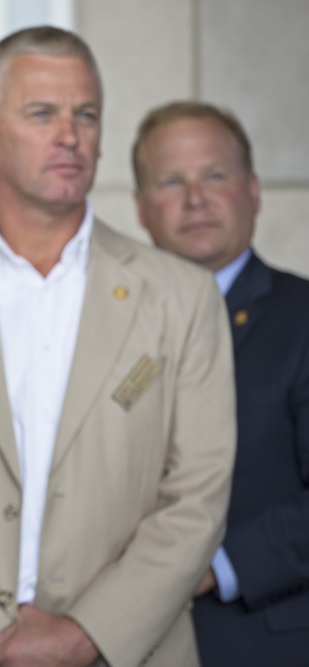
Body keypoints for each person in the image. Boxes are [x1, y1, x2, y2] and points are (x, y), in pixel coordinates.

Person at [0, 26, 235, 667]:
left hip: (132, 651)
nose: (70, 135)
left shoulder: (182, 294)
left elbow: (197, 499)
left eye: (86, 114)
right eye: (41, 113)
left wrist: (84, 635)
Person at [133, 100, 309, 666]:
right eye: (170, 181)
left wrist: (207, 568)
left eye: (214, 175)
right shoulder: (111, 331)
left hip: (264, 642)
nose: (195, 200)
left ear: (254, 191)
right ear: (140, 208)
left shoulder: (302, 318)